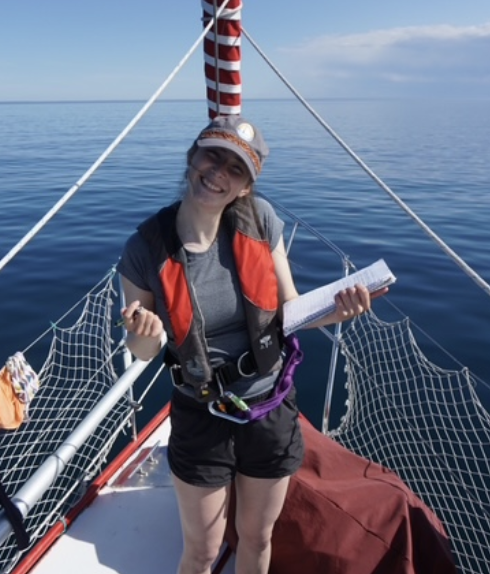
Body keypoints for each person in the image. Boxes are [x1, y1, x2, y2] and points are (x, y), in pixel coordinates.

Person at [117, 115, 387, 574]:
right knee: (202, 552)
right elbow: (143, 352)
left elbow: (291, 309)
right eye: (212, 156)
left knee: (258, 539)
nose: (219, 172)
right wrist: (144, 335)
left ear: (245, 187)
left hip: (268, 406)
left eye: (236, 169)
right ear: (192, 157)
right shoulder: (145, 248)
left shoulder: (260, 222)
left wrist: (339, 312)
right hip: (200, 413)